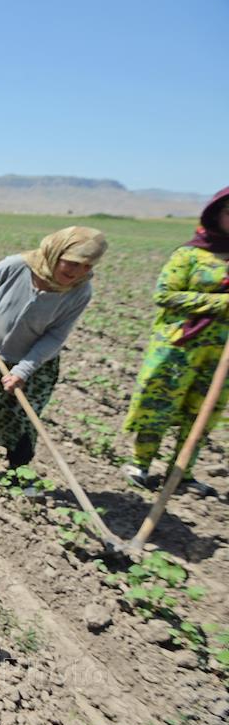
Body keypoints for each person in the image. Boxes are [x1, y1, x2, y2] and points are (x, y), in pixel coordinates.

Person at [0, 227, 108, 494]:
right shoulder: (19, 266)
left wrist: (24, 370)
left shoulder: (80, 291)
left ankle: (18, 470)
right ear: (55, 252)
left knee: (24, 418)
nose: (76, 272)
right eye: (71, 263)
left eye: (86, 266)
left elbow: (56, 335)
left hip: (37, 363)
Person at [122, 187, 229, 496]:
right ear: (215, 214)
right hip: (179, 346)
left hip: (220, 355)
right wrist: (221, 304)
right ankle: (140, 463)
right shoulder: (191, 254)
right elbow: (165, 295)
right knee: (160, 404)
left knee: (203, 411)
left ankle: (182, 472)